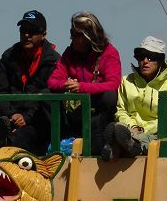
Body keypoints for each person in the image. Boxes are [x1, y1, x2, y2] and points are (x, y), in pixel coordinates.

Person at [47, 11, 122, 155]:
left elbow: (113, 84)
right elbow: (52, 82)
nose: (71, 38)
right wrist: (65, 84)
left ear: (88, 36)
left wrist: (81, 87)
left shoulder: (109, 52)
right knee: (48, 99)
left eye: (76, 34)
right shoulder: (70, 53)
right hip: (79, 111)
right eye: (71, 33)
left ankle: (100, 151)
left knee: (109, 98)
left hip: (101, 111)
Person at [0, 9, 60, 154]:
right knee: (12, 136)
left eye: (32, 31)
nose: (26, 35)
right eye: (23, 30)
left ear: (44, 34)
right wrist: (12, 116)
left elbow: (48, 96)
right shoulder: (8, 57)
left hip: (41, 123)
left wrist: (26, 118)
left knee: (18, 139)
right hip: (13, 120)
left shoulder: (53, 61)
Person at [101, 36, 167, 161]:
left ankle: (121, 148)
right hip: (130, 131)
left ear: (160, 61)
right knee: (117, 128)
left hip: (159, 136)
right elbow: (121, 111)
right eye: (141, 56)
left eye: (151, 57)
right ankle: (127, 146)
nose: (145, 61)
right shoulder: (126, 81)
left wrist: (142, 132)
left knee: (147, 140)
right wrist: (133, 129)